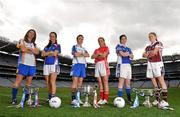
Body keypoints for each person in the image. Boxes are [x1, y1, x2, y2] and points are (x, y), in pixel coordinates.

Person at [11, 29, 39, 104]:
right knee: (18, 81)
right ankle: (14, 99)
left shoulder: (34, 44)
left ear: (34, 36)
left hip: (32, 65)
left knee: (29, 83)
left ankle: (26, 99)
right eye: (30, 32)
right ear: (27, 33)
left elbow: (37, 52)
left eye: (33, 33)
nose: (32, 34)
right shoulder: (22, 40)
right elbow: (23, 49)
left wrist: (29, 49)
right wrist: (31, 50)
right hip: (23, 63)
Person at [143, 32, 169, 107]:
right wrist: (149, 53)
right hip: (150, 65)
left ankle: (165, 101)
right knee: (154, 84)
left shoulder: (159, 43)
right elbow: (143, 55)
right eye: (149, 36)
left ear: (155, 36)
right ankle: (157, 100)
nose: (150, 37)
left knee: (161, 82)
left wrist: (148, 53)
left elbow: (154, 53)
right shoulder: (148, 46)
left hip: (158, 64)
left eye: (152, 36)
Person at [70, 34, 89, 106]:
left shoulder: (84, 48)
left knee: (80, 83)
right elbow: (75, 54)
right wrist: (82, 54)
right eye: (79, 39)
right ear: (77, 39)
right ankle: (73, 99)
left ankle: (78, 98)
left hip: (83, 65)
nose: (81, 40)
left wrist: (80, 53)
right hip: (76, 64)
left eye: (82, 39)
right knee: (75, 82)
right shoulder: (74, 47)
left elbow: (88, 55)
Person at [41, 32, 61, 100]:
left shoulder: (57, 45)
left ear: (56, 37)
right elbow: (42, 54)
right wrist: (50, 53)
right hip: (46, 64)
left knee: (52, 81)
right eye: (51, 36)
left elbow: (55, 54)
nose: (52, 37)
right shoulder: (46, 46)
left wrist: (47, 53)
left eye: (53, 36)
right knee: (48, 83)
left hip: (54, 64)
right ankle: (50, 98)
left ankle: (53, 98)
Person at [91, 37, 110, 105]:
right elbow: (92, 57)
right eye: (99, 41)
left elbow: (104, 55)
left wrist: (98, 55)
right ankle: (101, 98)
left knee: (105, 82)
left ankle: (105, 99)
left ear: (104, 41)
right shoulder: (96, 49)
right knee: (100, 82)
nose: (100, 42)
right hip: (97, 65)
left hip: (103, 64)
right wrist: (98, 54)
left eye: (101, 41)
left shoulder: (106, 48)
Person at [115, 34, 133, 104]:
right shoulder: (118, 46)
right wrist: (128, 54)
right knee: (121, 82)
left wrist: (127, 54)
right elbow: (122, 54)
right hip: (122, 65)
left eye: (125, 39)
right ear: (120, 40)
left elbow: (132, 56)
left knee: (128, 83)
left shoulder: (128, 48)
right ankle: (120, 100)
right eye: (122, 39)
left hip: (128, 65)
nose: (124, 40)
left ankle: (129, 99)